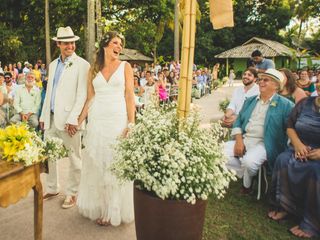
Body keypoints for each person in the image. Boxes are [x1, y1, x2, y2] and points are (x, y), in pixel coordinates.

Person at [76, 31, 135, 226]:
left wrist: (131, 122)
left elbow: (129, 95)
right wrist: (78, 121)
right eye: (115, 43)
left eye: (121, 44)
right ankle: (102, 207)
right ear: (105, 45)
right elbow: (89, 99)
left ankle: (114, 210)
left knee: (115, 164)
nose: (119, 47)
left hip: (118, 120)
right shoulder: (93, 69)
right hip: (98, 122)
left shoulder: (126, 67)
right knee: (98, 165)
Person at [39, 26, 90, 208]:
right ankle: (53, 187)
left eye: (72, 42)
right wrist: (44, 115)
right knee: (49, 154)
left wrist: (73, 119)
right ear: (58, 44)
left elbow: (82, 94)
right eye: (66, 43)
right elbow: (50, 92)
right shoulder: (52, 65)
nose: (70, 46)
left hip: (70, 120)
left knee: (74, 158)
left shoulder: (83, 65)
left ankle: (73, 193)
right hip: (51, 118)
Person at [224, 69, 294, 193]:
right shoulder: (250, 100)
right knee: (218, 153)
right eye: (260, 79)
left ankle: (247, 184)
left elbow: (290, 129)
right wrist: (239, 141)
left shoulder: (286, 105)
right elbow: (238, 121)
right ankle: (251, 172)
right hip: (245, 138)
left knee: (249, 162)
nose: (261, 82)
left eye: (265, 80)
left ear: (276, 85)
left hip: (266, 143)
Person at [268, 96, 320, 238]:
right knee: (283, 160)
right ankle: (285, 207)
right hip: (299, 148)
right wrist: (298, 145)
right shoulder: (305, 103)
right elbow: (290, 126)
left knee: (315, 171)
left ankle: (312, 223)